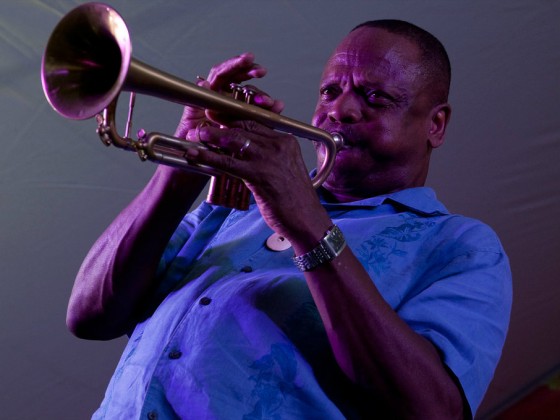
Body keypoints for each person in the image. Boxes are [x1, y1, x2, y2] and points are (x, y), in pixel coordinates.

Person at [67, 20, 512, 419]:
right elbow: (89, 317)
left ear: (435, 124)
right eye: (329, 91)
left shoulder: (461, 245)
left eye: (376, 97)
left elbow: (433, 411)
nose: (340, 111)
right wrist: (184, 166)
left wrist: (307, 224)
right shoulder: (229, 210)